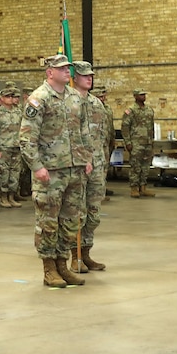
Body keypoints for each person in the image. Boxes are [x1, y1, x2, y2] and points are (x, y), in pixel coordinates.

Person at [19, 54, 91, 288]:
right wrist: (37, 166)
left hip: (74, 168)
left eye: (68, 68)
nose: (66, 72)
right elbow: (27, 137)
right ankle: (48, 268)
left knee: (70, 220)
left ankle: (63, 265)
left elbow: (83, 131)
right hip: (50, 171)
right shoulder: (39, 99)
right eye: (61, 69)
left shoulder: (74, 97)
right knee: (48, 221)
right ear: (49, 72)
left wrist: (86, 158)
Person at [72, 61, 108, 273]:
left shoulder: (96, 103)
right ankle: (74, 256)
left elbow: (101, 134)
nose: (89, 78)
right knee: (76, 212)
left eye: (91, 75)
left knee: (93, 212)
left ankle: (86, 253)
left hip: (96, 164)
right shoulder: (68, 101)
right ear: (74, 77)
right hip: (77, 164)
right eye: (84, 75)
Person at [0, 85, 23, 209]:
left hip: (16, 146)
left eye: (11, 96)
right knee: (4, 172)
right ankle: (3, 197)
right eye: (7, 96)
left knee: (15, 172)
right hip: (3, 147)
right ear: (2, 98)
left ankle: (12, 196)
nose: (10, 99)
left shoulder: (18, 111)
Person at [121, 88, 155, 198]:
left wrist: (152, 141)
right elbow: (125, 127)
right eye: (141, 95)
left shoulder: (149, 110)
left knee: (145, 167)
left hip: (147, 142)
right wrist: (128, 142)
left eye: (144, 94)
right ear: (135, 96)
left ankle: (143, 188)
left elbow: (151, 127)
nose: (143, 97)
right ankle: (134, 188)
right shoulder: (131, 110)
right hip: (136, 143)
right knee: (135, 166)